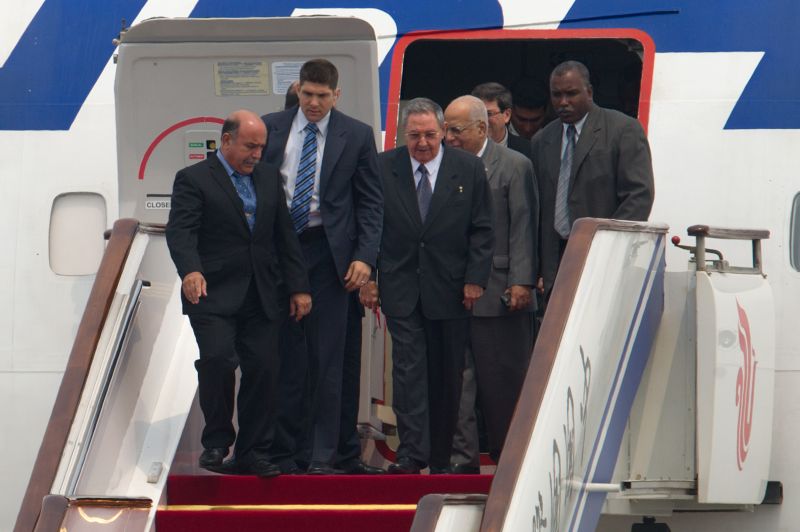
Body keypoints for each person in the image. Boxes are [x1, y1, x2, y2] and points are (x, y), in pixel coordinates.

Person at [166, 109, 312, 477]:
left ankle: (252, 451)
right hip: (212, 292)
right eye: (250, 146)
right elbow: (180, 232)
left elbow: (284, 235)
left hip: (262, 293)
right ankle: (216, 441)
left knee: (264, 370)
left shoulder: (267, 177)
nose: (256, 155)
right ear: (227, 140)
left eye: (261, 147)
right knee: (217, 359)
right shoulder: (193, 179)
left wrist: (298, 287)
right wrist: (190, 270)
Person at [261, 58, 383, 475]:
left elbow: (370, 201)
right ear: (297, 89)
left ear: (337, 95)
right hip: (279, 253)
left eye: (322, 96)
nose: (313, 103)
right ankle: (279, 451)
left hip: (330, 256)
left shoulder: (358, 135)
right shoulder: (271, 128)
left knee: (328, 358)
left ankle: (322, 455)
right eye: (307, 94)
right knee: (280, 354)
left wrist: (365, 257)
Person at [361, 97, 494, 474]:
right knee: (407, 373)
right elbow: (370, 225)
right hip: (401, 288)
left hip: (452, 290)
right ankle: (411, 453)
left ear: (443, 133)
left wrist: (474, 280)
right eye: (415, 135)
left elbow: (483, 229)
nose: (423, 143)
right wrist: (370, 276)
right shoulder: (384, 167)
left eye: (431, 135)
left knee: (448, 374)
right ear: (404, 134)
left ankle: (442, 457)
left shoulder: (467, 168)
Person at [443, 95, 538, 471]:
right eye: (446, 128)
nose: (448, 137)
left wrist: (522, 282)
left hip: (501, 293)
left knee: (504, 383)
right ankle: (460, 461)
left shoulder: (515, 165)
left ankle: (510, 460)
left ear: (482, 129)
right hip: (453, 295)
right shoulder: (445, 166)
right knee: (458, 384)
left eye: (456, 130)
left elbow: (524, 226)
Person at [532, 60, 655, 296]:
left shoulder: (623, 129)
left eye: (571, 94)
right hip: (556, 260)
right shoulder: (543, 139)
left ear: (589, 92)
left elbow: (639, 196)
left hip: (605, 252)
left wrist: (606, 244)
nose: (563, 102)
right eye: (556, 95)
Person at [471, 82, 531, 158]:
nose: (482, 120)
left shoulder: (527, 150)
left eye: (488, 114)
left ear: (507, 115)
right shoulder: (463, 148)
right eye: (477, 113)